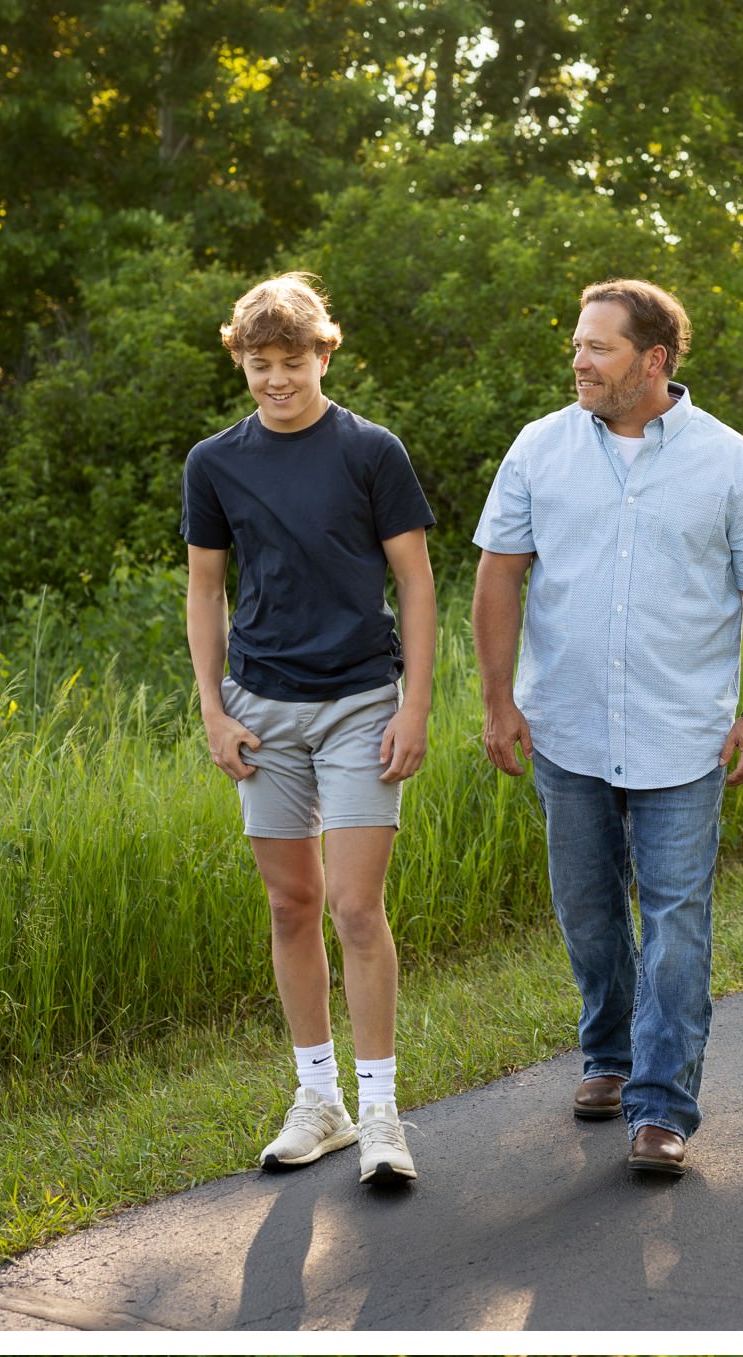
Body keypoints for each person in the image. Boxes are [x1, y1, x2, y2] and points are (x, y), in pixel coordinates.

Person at [472, 279, 743, 1179]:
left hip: (682, 733)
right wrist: (498, 700)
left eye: (598, 348)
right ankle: (609, 1054)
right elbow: (499, 575)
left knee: (676, 922)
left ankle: (662, 1105)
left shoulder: (730, 461)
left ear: (653, 361)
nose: (578, 361)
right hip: (567, 726)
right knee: (587, 910)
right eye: (577, 346)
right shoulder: (539, 449)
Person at [183, 272, 437, 1187]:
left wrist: (415, 702)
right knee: (291, 905)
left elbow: (413, 580)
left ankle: (380, 1114)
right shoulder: (215, 462)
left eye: (293, 361)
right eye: (260, 364)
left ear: (325, 352)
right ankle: (317, 1099)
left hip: (363, 699)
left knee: (355, 907)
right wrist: (214, 710)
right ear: (240, 361)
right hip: (263, 708)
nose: (276, 380)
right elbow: (206, 589)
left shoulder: (372, 452)